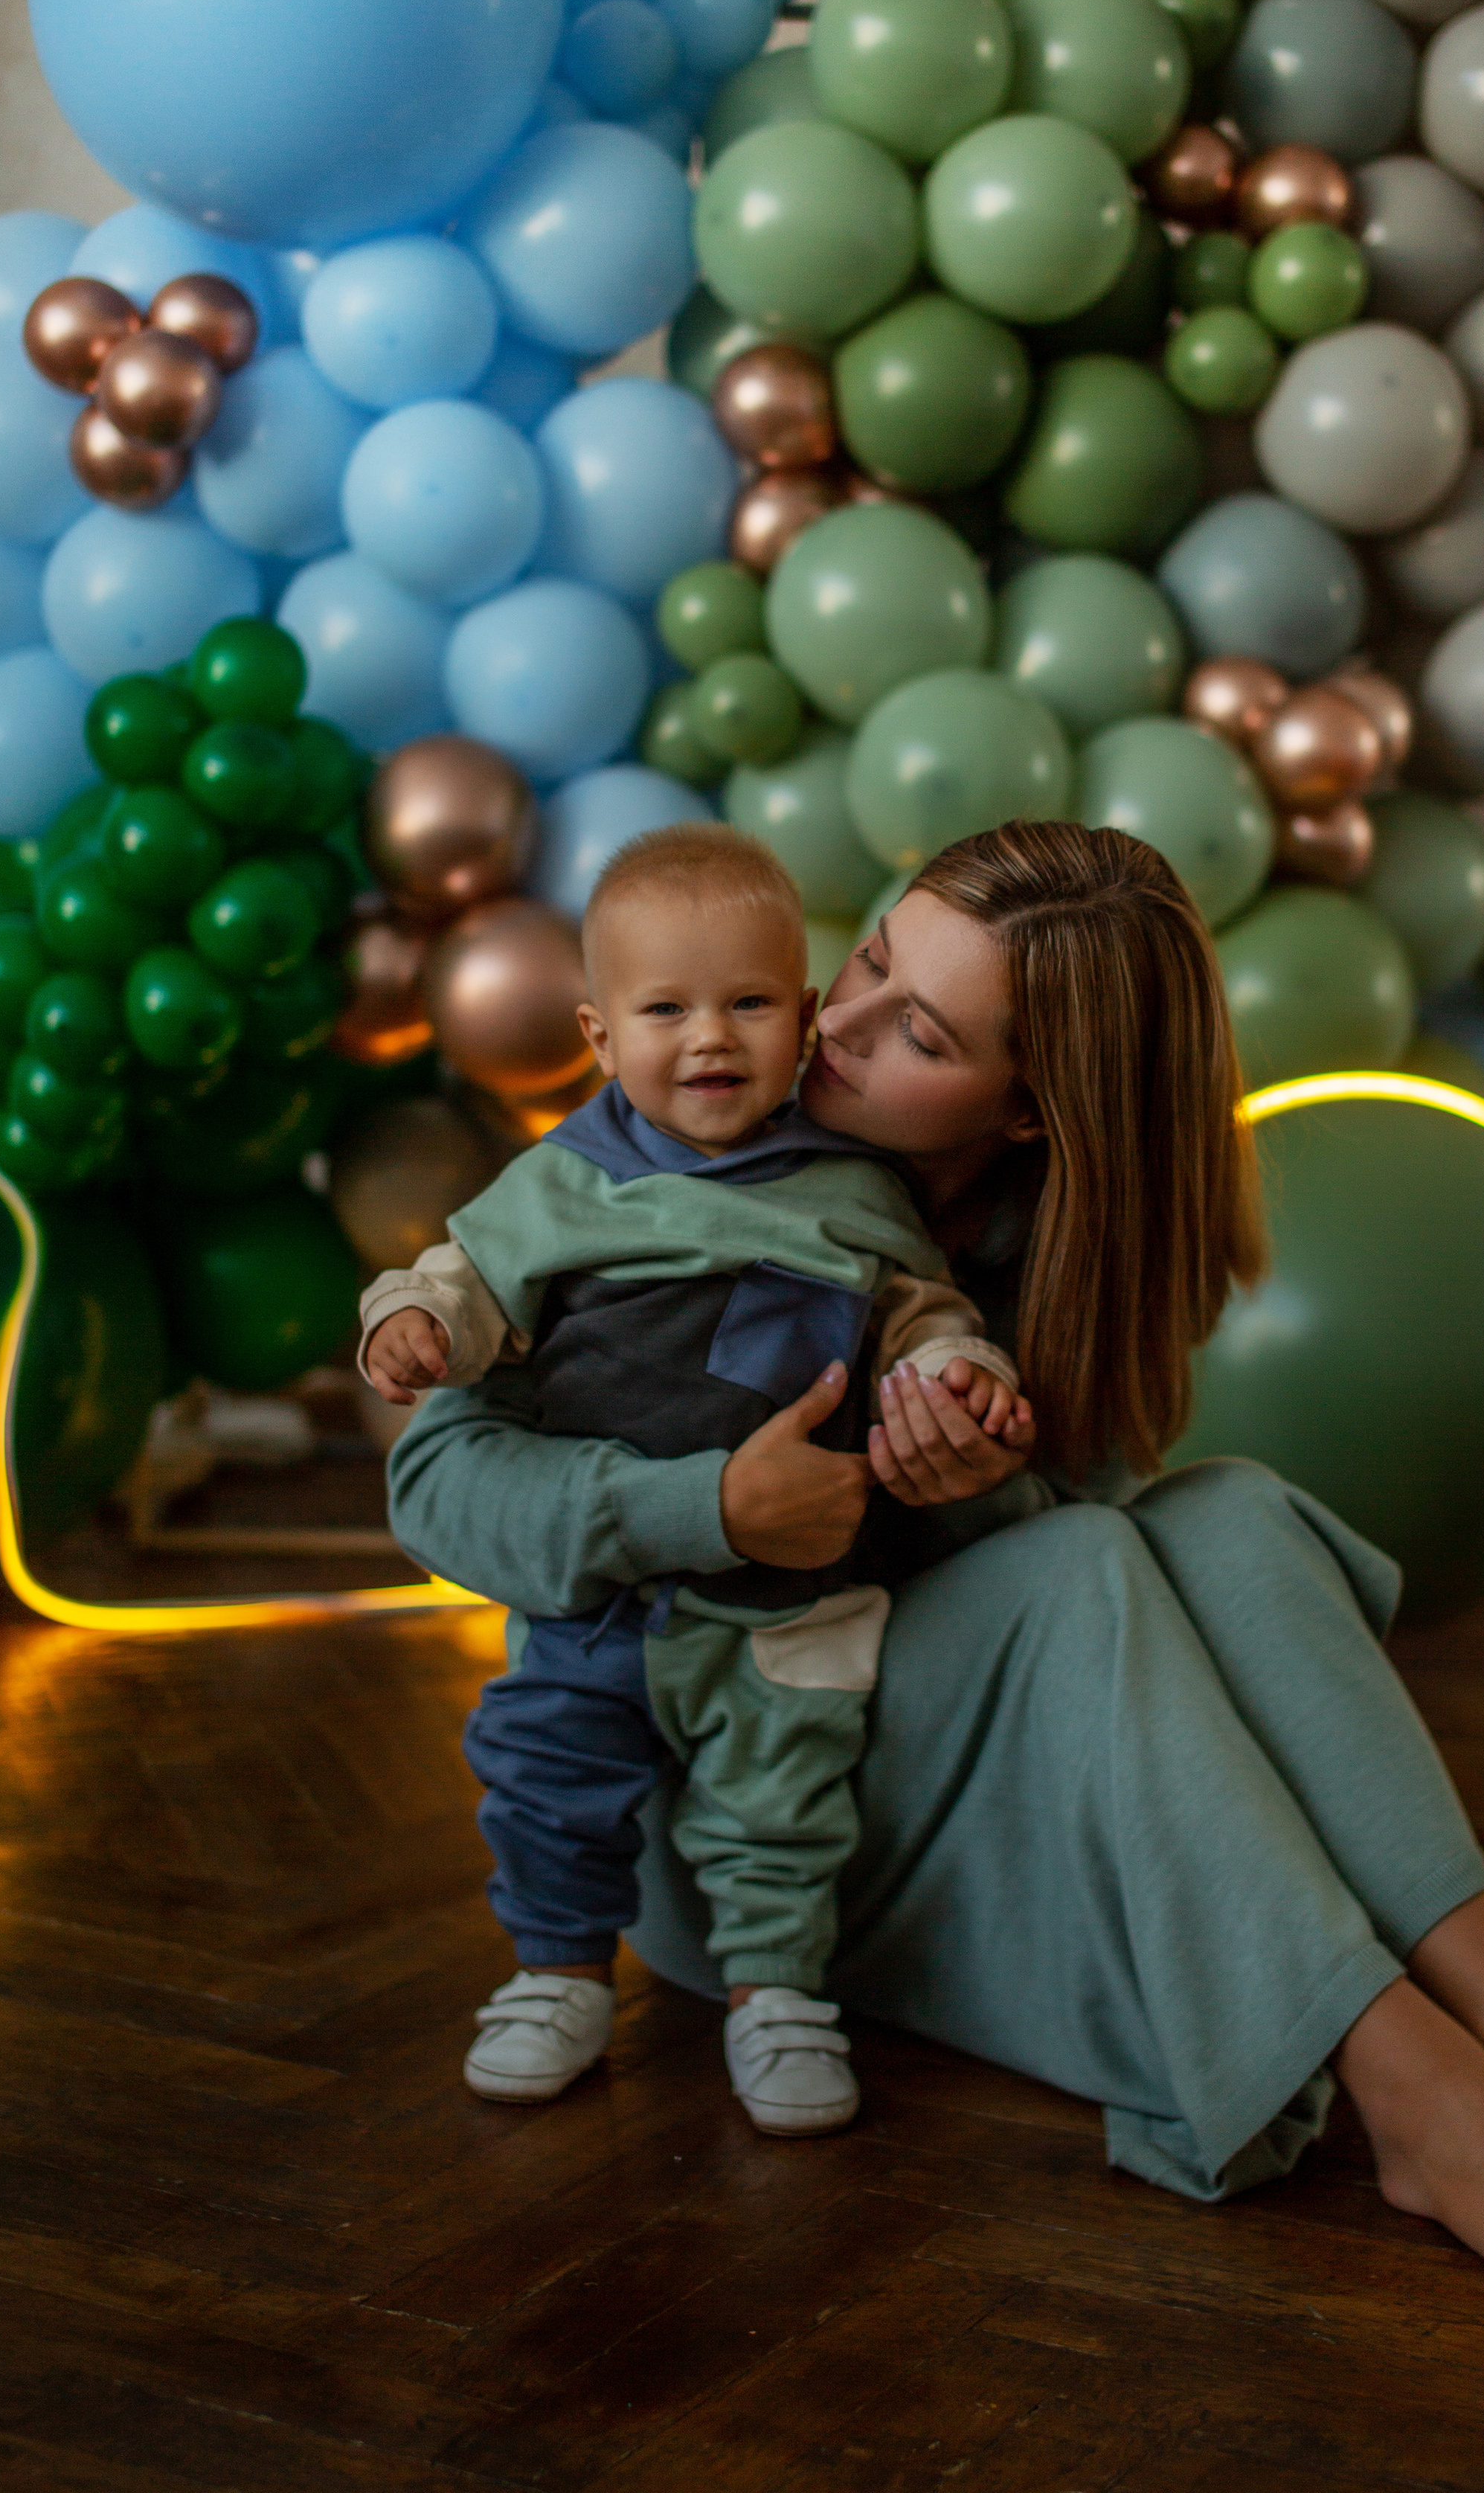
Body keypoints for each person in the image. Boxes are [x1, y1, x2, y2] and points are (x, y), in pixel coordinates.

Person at [388, 820, 1484, 2297]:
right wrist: (709, 1510)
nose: (829, 1028)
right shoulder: (640, 1160)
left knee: (1222, 1511)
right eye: (863, 959)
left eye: (914, 1027)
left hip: (903, 1771)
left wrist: (977, 1485)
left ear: (1033, 1112)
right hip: (719, 1812)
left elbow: (1061, 1669)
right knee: (1086, 1569)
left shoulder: (1052, 1251)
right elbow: (435, 1481)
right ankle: (1403, 2071)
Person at [362, 823, 1019, 2132]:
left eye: (750, 1004)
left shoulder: (851, 1192)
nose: (710, 1038)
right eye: (667, 1010)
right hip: (606, 1591)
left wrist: (956, 1371)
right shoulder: (563, 1184)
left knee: (786, 1800)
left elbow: (913, 1314)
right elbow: (463, 1276)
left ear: (807, 1017)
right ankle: (556, 1973)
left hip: (791, 1602)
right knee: (548, 1768)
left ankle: (779, 1996)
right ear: (601, 1039)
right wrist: (413, 1321)